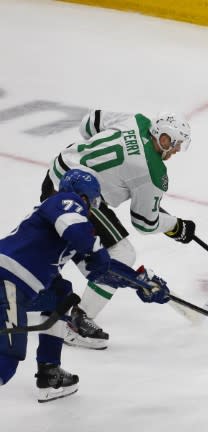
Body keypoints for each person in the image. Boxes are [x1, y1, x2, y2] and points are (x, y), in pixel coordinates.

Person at [1, 170, 170, 402]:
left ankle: (49, 372)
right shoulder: (65, 202)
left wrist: (139, 282)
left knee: (60, 294)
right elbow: (79, 235)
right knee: (6, 359)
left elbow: (98, 271)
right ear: (87, 197)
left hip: (17, 286)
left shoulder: (65, 229)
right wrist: (96, 250)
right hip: (7, 282)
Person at [39, 110, 195, 349]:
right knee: (122, 256)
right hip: (78, 197)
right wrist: (175, 226)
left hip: (57, 173)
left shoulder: (137, 120)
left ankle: (27, 289)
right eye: (174, 143)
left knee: (63, 243)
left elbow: (89, 123)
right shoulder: (153, 173)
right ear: (163, 138)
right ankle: (76, 322)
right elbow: (145, 222)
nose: (175, 150)